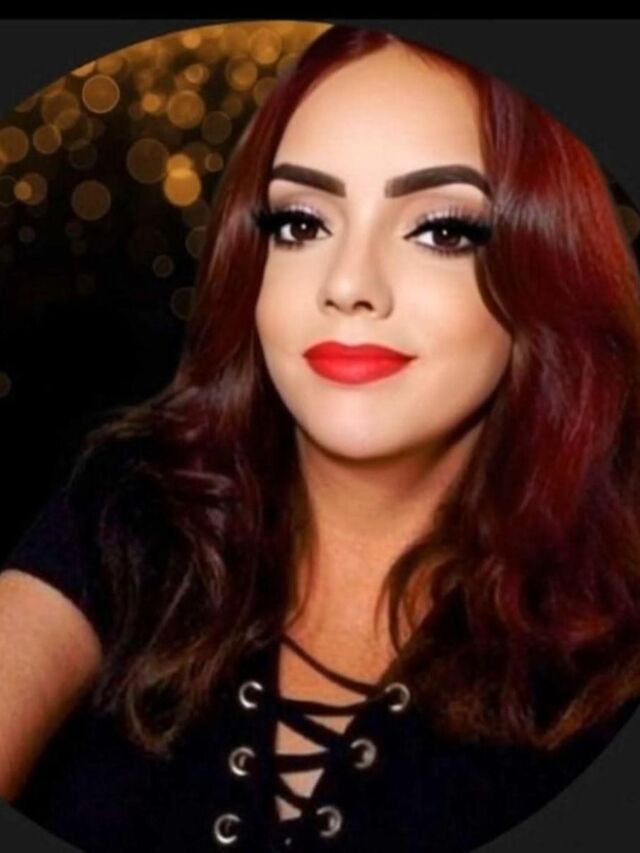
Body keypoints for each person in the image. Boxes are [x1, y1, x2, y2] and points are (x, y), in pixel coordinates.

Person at [2, 23, 640, 853]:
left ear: (546, 273)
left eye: (442, 230)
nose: (348, 284)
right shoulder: (131, 504)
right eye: (302, 222)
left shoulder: (610, 661)